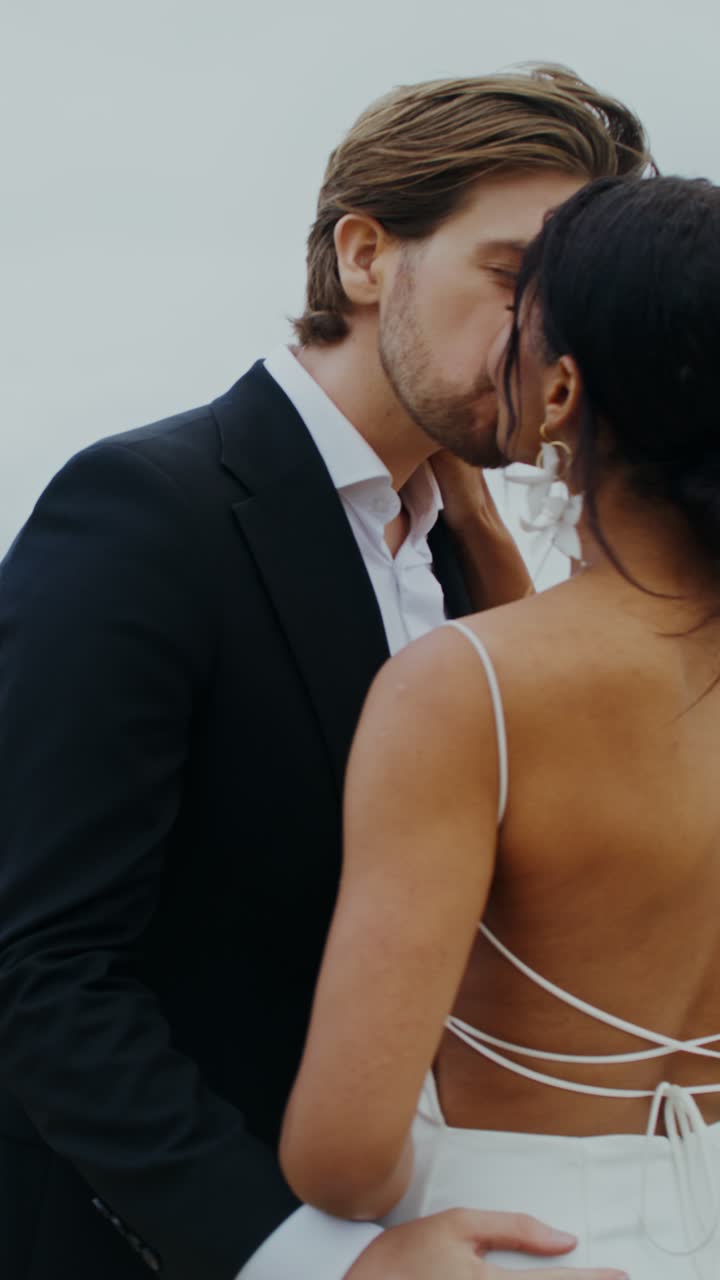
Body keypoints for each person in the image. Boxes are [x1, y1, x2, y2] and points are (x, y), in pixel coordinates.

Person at [0, 69, 650, 1280]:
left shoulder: (463, 554)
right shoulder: (145, 511)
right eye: (512, 279)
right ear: (364, 256)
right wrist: (316, 1260)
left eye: (576, 303)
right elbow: (38, 969)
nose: (548, 342)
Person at [279, 174, 720, 1278]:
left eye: (521, 313)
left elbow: (344, 1154)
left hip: (528, 1241)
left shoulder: (463, 692)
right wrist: (481, 529)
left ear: (561, 388)